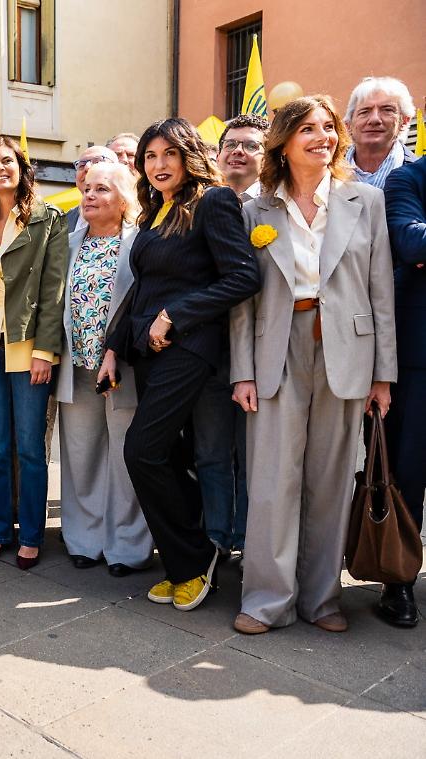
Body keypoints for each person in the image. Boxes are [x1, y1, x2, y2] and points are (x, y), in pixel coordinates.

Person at [231, 95, 396, 635]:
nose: (322, 136)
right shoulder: (255, 209)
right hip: (276, 347)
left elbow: (380, 291)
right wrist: (243, 371)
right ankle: (266, 600)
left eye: (328, 128)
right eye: (308, 128)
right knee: (274, 480)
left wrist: (382, 375)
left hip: (347, 351)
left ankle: (322, 598)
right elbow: (243, 300)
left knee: (330, 480)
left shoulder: (364, 200)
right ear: (283, 140)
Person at [97, 117, 260, 613]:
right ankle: (187, 558)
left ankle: (195, 557)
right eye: (150, 156)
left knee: (141, 451)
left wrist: (175, 315)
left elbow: (242, 277)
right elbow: (141, 289)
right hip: (149, 352)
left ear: (189, 154)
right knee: (163, 455)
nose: (158, 164)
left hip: (190, 350)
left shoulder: (213, 201)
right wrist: (114, 347)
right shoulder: (153, 212)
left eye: (169, 154)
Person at [0, 136, 66, 570]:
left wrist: (46, 350)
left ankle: (30, 534)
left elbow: (53, 290)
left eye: (7, 161)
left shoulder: (49, 221)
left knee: (29, 447)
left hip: (28, 348)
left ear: (22, 169)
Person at [56, 162, 152, 576]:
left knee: (124, 458)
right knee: (81, 456)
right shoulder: (68, 239)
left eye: (102, 190)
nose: (89, 196)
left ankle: (127, 547)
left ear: (123, 198)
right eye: (87, 189)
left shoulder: (141, 243)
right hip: (76, 366)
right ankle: (84, 539)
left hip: (124, 369)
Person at [193, 113, 269, 565]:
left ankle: (251, 540)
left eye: (251, 145)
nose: (239, 151)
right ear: (217, 154)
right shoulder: (196, 206)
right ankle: (217, 540)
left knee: (255, 456)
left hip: (262, 351)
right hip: (207, 352)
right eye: (231, 144)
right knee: (210, 451)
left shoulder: (275, 207)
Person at [380, 139, 426, 628]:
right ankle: (399, 582)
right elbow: (411, 242)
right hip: (418, 361)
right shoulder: (408, 179)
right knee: (407, 477)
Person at [344, 77, 417, 189]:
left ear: (404, 121)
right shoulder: (324, 172)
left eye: (387, 110)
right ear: (348, 124)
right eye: (364, 111)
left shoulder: (421, 176)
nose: (374, 119)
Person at [66, 146, 118, 233]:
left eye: (97, 162)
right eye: (81, 165)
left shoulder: (138, 219)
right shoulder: (65, 219)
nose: (87, 167)